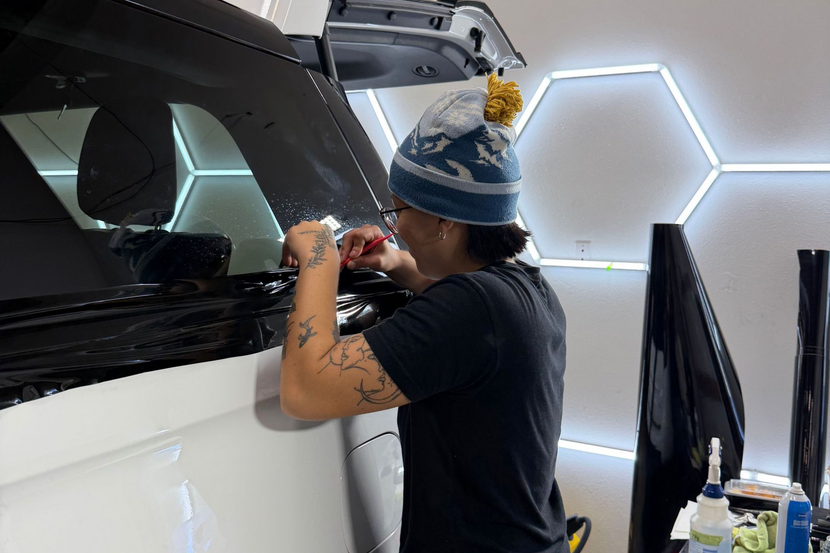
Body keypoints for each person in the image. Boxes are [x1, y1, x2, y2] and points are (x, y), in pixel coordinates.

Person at [280, 73, 568, 553]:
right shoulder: (527, 289)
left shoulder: (470, 310)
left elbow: (304, 389)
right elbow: (467, 327)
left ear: (445, 220)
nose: (396, 228)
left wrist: (318, 259)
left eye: (399, 213)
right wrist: (397, 265)